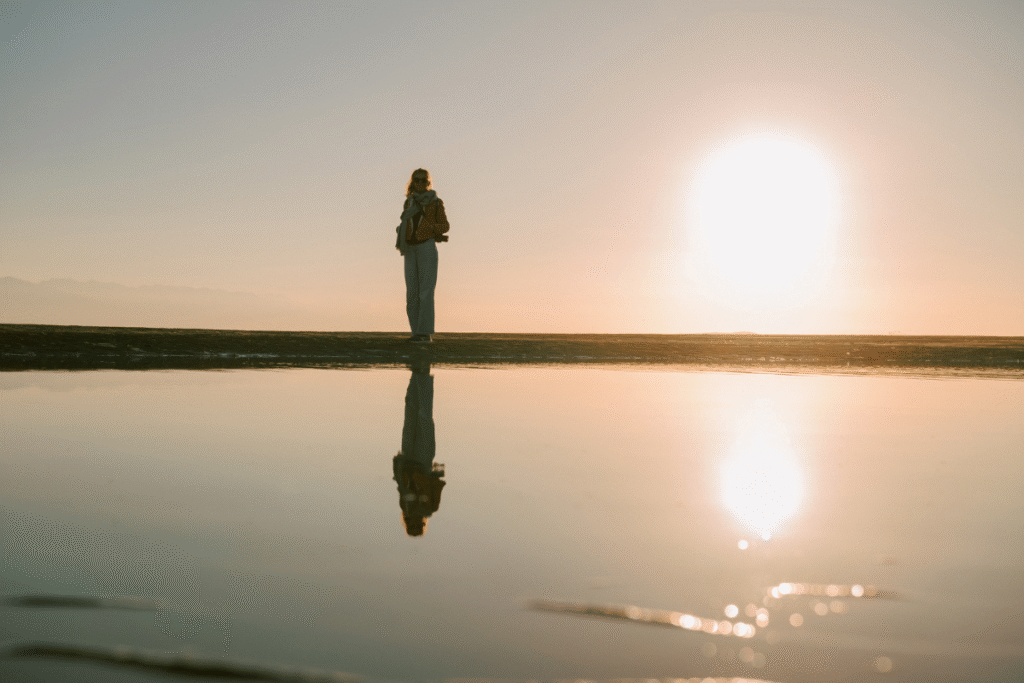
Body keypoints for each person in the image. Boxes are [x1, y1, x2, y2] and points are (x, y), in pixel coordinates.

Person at [395, 168, 449, 343]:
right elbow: (405, 223)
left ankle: (425, 334)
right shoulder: (408, 203)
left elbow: (445, 226)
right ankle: (415, 333)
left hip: (426, 246)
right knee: (411, 292)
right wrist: (401, 231)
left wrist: (430, 228)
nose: (420, 183)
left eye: (423, 180)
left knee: (425, 291)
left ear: (428, 183)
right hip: (409, 248)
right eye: (416, 180)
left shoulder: (435, 203)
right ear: (412, 183)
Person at [393, 358, 445, 536]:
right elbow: (438, 483)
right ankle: (422, 374)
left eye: (411, 526)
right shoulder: (430, 508)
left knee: (411, 414)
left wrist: (398, 465)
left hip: (408, 458)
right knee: (423, 417)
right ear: (422, 525)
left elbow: (400, 485)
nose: (415, 522)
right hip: (423, 462)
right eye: (417, 526)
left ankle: (417, 374)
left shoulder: (405, 506)